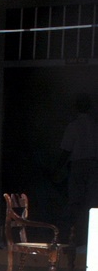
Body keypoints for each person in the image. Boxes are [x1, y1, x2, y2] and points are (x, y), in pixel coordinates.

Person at [56, 94, 98, 246]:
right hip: (94, 166)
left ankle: (77, 237)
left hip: (79, 166)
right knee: (91, 203)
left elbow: (66, 150)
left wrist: (56, 169)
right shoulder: (94, 125)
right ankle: (88, 237)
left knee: (76, 203)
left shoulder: (74, 126)